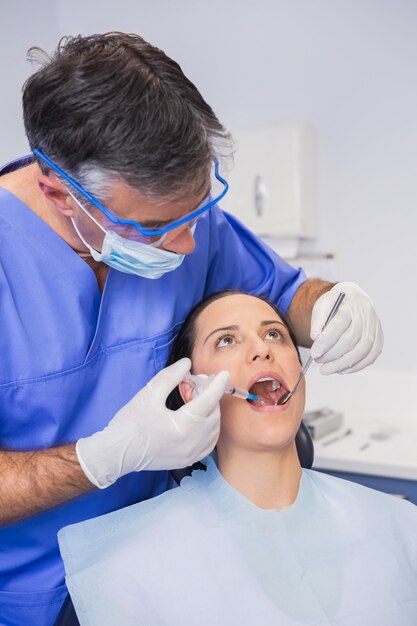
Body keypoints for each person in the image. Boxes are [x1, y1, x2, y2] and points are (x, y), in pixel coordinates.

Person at [0, 32, 383, 625]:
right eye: (155, 229)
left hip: (156, 556)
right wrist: (101, 459)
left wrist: (332, 304)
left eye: (197, 211)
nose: (188, 245)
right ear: (60, 192)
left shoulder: (383, 533)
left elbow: (284, 295)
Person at [58, 291, 417, 626]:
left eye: (275, 334)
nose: (261, 349)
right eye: (226, 340)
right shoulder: (123, 568)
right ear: (191, 390)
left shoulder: (400, 527)